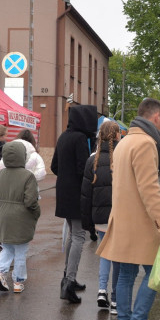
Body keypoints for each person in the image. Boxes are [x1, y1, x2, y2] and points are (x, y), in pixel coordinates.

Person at [96, 98, 160, 320]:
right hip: (140, 223)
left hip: (122, 221)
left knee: (126, 276)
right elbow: (150, 189)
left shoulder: (125, 141)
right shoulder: (146, 143)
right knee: (154, 274)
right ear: (155, 117)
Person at [51, 104, 98, 303]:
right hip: (76, 194)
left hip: (63, 193)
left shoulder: (63, 136)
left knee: (73, 235)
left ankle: (68, 277)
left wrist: (65, 177)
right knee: (79, 236)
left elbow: (54, 166)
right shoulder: (80, 138)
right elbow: (83, 169)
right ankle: (69, 283)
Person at [81, 120, 120, 313]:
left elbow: (86, 194)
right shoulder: (121, 159)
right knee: (118, 258)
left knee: (104, 254)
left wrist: (88, 223)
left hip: (100, 218)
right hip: (119, 216)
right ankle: (115, 300)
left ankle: (101, 290)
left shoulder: (92, 160)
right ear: (117, 136)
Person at [0, 141, 41, 294]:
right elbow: (30, 200)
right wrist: (36, 212)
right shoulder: (28, 176)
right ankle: (18, 282)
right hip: (22, 217)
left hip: (4, 215)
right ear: (23, 156)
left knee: (6, 248)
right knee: (21, 251)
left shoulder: (1, 174)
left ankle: (0, 273)